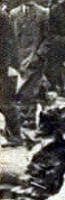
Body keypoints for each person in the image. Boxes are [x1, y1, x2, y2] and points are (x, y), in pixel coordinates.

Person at [9, 0, 48, 65]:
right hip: (19, 57)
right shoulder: (14, 13)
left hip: (36, 58)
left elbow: (47, 37)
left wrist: (37, 55)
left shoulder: (43, 12)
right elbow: (12, 37)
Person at [0, 8, 22, 145]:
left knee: (5, 102)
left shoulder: (2, 16)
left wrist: (10, 66)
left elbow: (11, 43)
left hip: (4, 66)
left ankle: (16, 136)